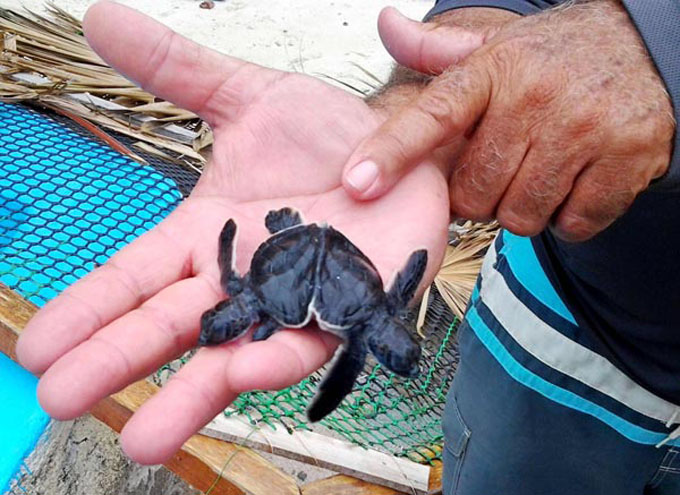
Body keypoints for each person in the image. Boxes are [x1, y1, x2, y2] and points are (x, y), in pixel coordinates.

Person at [15, 0, 679, 493]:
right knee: (242, 299)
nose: (396, 352)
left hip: (300, 267)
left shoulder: (372, 308)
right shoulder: (378, 300)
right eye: (396, 347)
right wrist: (421, 116)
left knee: (246, 299)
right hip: (587, 314)